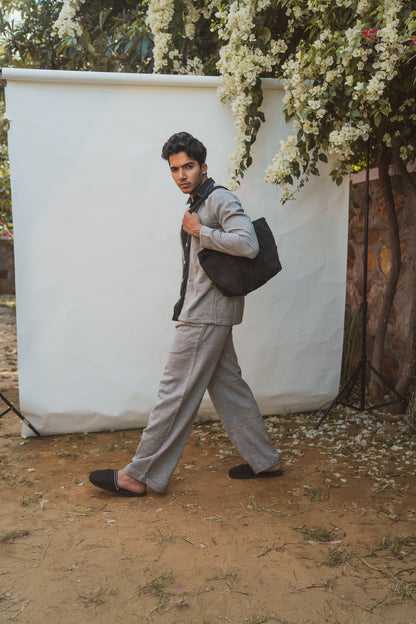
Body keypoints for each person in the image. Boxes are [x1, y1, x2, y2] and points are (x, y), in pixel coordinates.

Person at [89, 132, 282, 497]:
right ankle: (266, 460)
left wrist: (201, 231)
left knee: (174, 391)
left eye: (188, 167)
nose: (181, 175)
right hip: (209, 311)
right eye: (175, 169)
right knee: (229, 388)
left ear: (203, 167)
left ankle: (138, 475)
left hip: (205, 314)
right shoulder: (198, 201)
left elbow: (249, 244)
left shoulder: (219, 198)